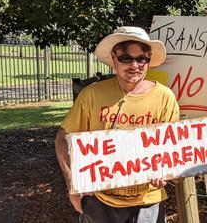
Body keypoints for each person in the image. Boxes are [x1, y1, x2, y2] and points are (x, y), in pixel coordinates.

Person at [55, 26, 179, 222]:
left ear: (148, 60)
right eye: (126, 58)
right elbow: (63, 138)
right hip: (99, 200)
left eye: (141, 59)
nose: (134, 65)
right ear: (114, 58)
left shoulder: (165, 97)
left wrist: (166, 170)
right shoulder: (92, 94)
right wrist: (72, 183)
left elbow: (172, 148)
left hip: (148, 202)